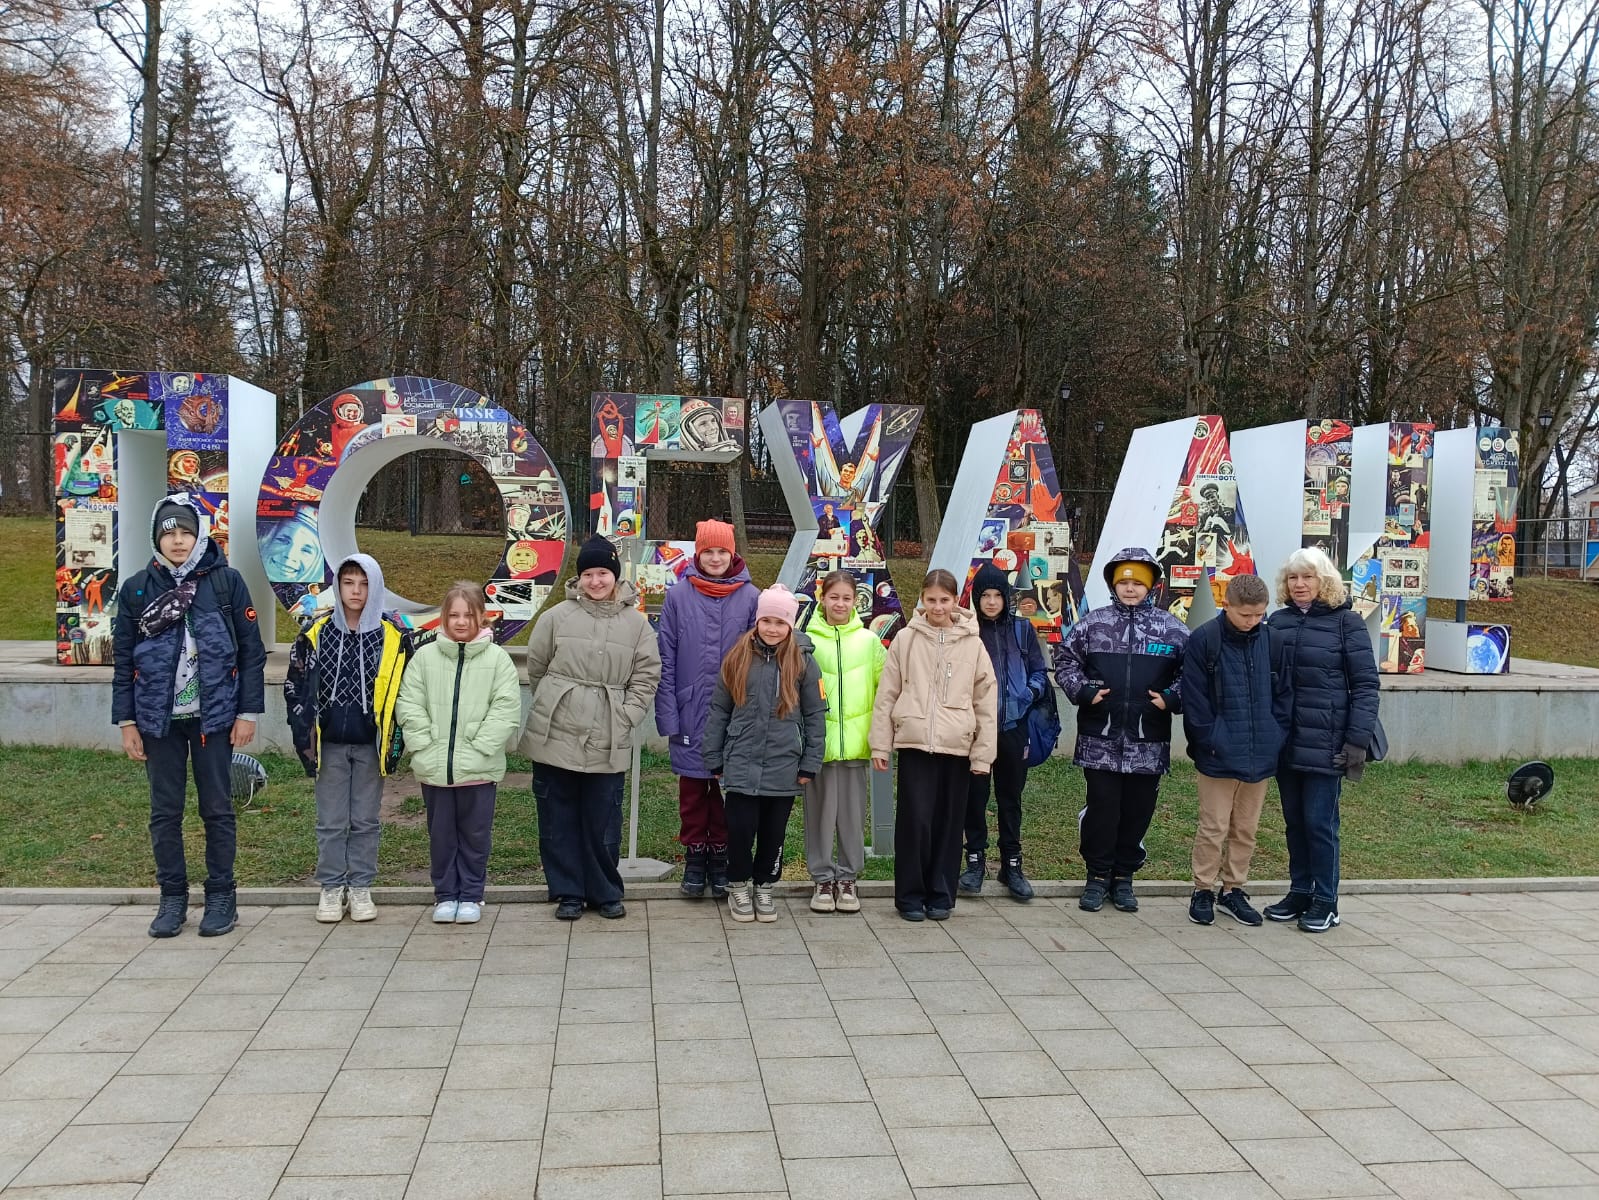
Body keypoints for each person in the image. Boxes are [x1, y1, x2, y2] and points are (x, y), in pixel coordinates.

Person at [112, 494, 267, 939]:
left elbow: (251, 652)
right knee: (165, 812)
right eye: (169, 532)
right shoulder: (138, 589)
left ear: (197, 535)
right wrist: (127, 722)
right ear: (156, 538)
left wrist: (247, 712)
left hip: (214, 718)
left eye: (185, 532)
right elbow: (123, 660)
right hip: (157, 721)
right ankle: (172, 898)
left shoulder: (225, 584)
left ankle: (221, 896)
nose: (178, 541)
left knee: (217, 808)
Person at [522, 535, 661, 920]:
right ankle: (567, 890)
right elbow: (537, 666)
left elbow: (647, 675)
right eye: (588, 573)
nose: (596, 581)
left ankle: (604, 891)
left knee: (602, 817)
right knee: (558, 814)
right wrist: (557, 699)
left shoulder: (637, 625)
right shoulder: (555, 618)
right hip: (557, 728)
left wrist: (626, 714)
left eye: (603, 573)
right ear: (579, 578)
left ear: (615, 576)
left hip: (609, 730)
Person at [1053, 547, 1188, 915]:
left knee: (1138, 811)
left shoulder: (1173, 630)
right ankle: (1097, 876)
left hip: (1148, 742)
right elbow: (1064, 659)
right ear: (1114, 584)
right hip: (1100, 740)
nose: (1130, 588)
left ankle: (1124, 877)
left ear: (1151, 587)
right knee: (1102, 809)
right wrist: (1081, 691)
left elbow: (1193, 674)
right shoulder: (1092, 625)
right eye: (1123, 581)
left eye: (1137, 583)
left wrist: (1172, 698)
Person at [285, 554, 412, 924]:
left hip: (371, 743)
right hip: (329, 744)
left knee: (366, 819)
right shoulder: (316, 633)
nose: (356, 591)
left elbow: (406, 689)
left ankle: (360, 886)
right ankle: (331, 886)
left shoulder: (393, 637)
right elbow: (295, 685)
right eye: (348, 583)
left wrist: (396, 737)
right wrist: (304, 727)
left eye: (364, 583)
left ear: (376, 587)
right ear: (337, 587)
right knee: (331, 819)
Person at [870, 569, 998, 922]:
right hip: (914, 744)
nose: (938, 607)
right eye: (931, 600)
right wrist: (880, 745)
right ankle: (910, 895)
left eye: (945, 600)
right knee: (915, 822)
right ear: (922, 600)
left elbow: (985, 700)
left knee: (948, 821)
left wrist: (982, 755)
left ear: (956, 601)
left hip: (957, 747)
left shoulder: (972, 643)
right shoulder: (906, 639)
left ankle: (941, 893)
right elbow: (887, 694)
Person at [1265, 547, 1380, 932]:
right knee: (1294, 823)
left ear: (1324, 580)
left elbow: (1366, 685)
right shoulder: (1276, 622)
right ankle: (1300, 892)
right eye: (1293, 578)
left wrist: (1356, 742)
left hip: (1329, 743)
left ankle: (1326, 901)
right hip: (1286, 741)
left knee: (1319, 823)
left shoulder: (1346, 623)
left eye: (1307, 577)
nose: (1299, 585)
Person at [394, 582, 522, 924]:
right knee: (442, 836)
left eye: (468, 614)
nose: (461, 621)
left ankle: (471, 894)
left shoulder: (498, 661)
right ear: (443, 618)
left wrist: (480, 747)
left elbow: (506, 708)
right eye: (453, 614)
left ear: (481, 617)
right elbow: (409, 703)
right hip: (436, 768)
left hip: (478, 770)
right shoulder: (424, 657)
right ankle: (446, 894)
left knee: (475, 835)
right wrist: (423, 743)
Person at [703, 584, 826, 923]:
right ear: (757, 621)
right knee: (740, 832)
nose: (772, 628)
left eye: (780, 622)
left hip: (784, 767)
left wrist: (810, 762)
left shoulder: (803, 663)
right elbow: (719, 710)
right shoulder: (738, 657)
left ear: (790, 625)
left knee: (773, 834)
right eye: (767, 620)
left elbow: (816, 715)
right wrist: (713, 756)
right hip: (741, 763)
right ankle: (738, 885)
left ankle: (765, 886)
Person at [655, 519, 759, 898]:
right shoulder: (678, 597)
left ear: (733, 554)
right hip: (690, 709)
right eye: (708, 552)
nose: (715, 558)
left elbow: (760, 659)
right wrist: (668, 714)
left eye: (722, 551)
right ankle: (695, 856)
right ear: (698, 554)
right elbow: (665, 657)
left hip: (736, 713)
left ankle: (722, 857)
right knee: (694, 790)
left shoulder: (750, 598)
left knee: (728, 791)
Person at [1180, 573, 1291, 927]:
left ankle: (1233, 889)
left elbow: (1284, 694)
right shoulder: (1204, 640)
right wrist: (1209, 739)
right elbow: (1194, 701)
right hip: (1217, 753)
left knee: (1246, 827)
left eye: (1259, 615)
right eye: (1246, 615)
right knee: (1213, 826)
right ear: (1226, 605)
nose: (1252, 622)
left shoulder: (1272, 641)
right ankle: (1202, 889)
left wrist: (1275, 735)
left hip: (1261, 752)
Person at [961, 563, 1049, 902]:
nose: (992, 602)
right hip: (976, 730)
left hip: (1014, 726)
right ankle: (975, 860)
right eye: (986, 595)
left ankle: (1012, 863)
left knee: (1010, 798)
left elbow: (1040, 672)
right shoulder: (968, 632)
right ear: (976, 598)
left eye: (998, 595)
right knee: (975, 797)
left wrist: (1028, 693)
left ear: (1007, 598)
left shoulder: (1023, 631)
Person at [801, 570, 885, 914]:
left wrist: (881, 737)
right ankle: (822, 878)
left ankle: (848, 878)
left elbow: (884, 691)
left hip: (855, 745)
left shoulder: (869, 642)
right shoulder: (806, 639)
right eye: (833, 597)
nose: (840, 603)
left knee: (851, 815)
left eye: (846, 598)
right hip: (818, 748)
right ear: (823, 598)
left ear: (856, 601)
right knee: (819, 815)